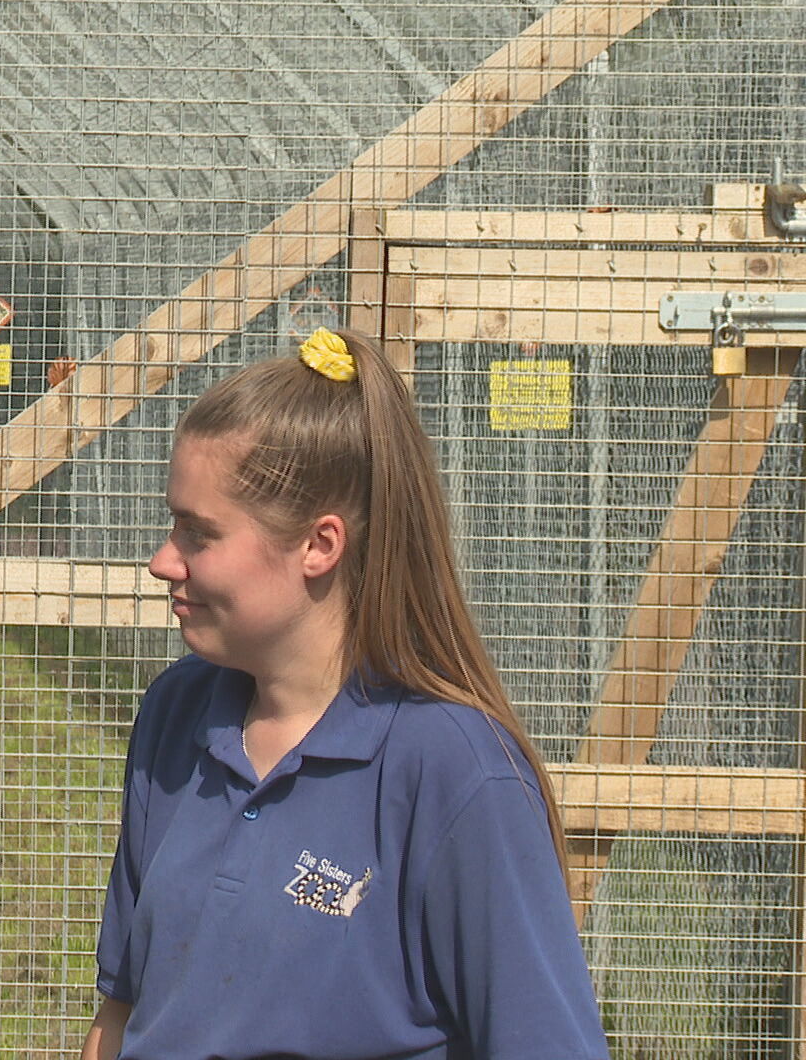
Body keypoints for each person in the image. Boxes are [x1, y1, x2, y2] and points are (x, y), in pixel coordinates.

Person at [82, 327, 609, 1059]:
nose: (162, 559)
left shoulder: (454, 771)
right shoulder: (176, 715)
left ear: (319, 545)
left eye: (199, 534)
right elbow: (121, 1014)